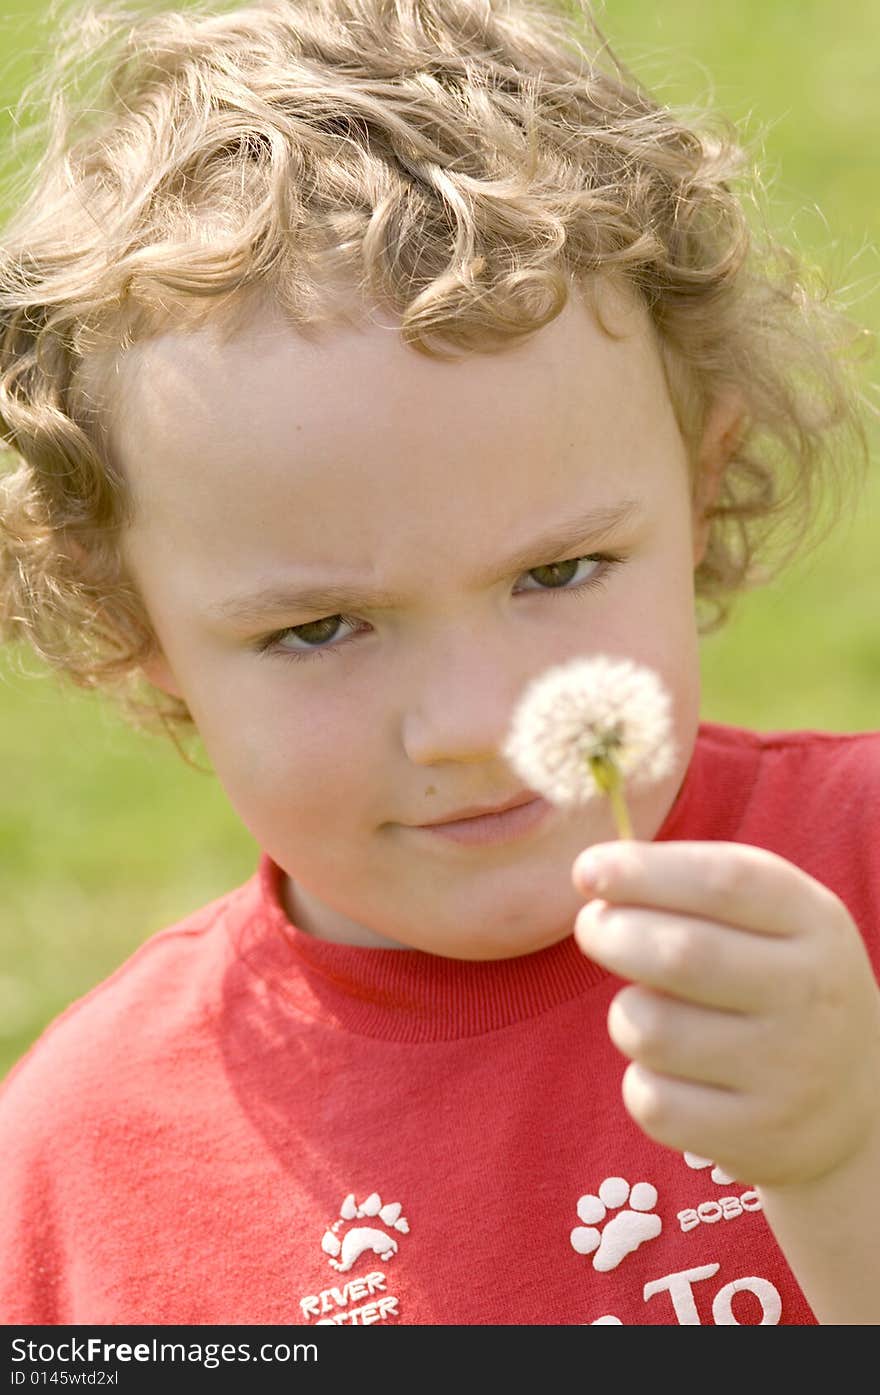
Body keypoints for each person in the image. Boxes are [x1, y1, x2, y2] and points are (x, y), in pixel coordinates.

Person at [0, 0, 877, 1328]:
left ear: (699, 492)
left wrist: (846, 1160)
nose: (476, 726)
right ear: (136, 631)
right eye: (317, 630)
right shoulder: (76, 1167)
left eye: (558, 573)